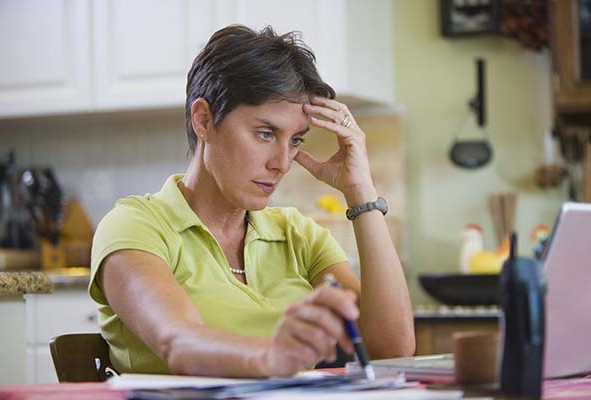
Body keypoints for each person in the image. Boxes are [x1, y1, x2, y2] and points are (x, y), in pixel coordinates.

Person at [89, 24, 415, 378]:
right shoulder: (136, 225)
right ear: (204, 121)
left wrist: (361, 191)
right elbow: (178, 343)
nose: (282, 163)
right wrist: (272, 356)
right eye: (265, 133)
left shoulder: (296, 234)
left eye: (295, 141)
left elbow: (392, 349)